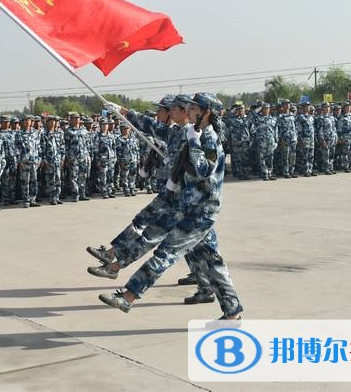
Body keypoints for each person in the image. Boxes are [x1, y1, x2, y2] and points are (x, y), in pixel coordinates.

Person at [95, 93, 243, 320]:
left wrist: (193, 141)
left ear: (207, 113)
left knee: (165, 252)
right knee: (213, 261)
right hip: (188, 206)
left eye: (194, 108)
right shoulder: (196, 133)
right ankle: (232, 311)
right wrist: (124, 112)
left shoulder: (209, 139)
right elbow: (156, 129)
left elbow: (204, 170)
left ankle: (129, 296)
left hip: (201, 212)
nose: (189, 112)